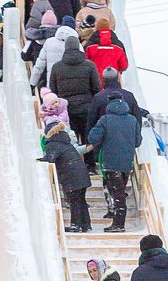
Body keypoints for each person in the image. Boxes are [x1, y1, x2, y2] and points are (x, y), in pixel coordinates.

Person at [87, 97, 140, 232]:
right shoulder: (132, 120)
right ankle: (118, 222)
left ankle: (119, 224)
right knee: (120, 192)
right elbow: (138, 141)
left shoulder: (105, 119)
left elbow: (93, 138)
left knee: (117, 194)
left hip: (110, 162)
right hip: (126, 163)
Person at [37, 118, 92, 232]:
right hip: (81, 173)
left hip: (72, 176)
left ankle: (76, 225)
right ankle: (85, 224)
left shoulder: (53, 144)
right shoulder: (66, 142)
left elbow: (50, 159)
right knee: (81, 200)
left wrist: (38, 161)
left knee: (74, 201)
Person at [49, 35, 101, 149]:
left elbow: (53, 90)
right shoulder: (90, 65)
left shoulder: (56, 67)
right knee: (88, 139)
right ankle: (89, 159)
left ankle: (73, 159)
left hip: (66, 109)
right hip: (86, 107)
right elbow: (97, 88)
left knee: (70, 140)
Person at [29, 22, 83, 89]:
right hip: (71, 86)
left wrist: (32, 83)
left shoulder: (49, 42)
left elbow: (39, 66)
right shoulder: (78, 46)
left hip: (51, 84)